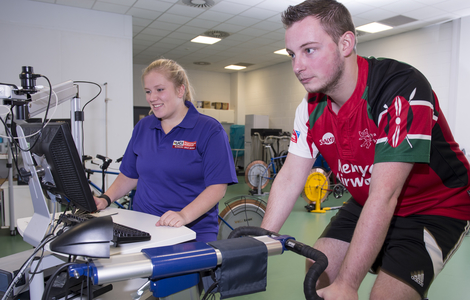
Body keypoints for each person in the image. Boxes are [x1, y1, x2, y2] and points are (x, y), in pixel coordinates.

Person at [260, 1, 470, 299]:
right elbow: (292, 175)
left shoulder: (401, 89)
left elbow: (385, 195)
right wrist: (261, 239)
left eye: (309, 50)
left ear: (345, 43)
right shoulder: (309, 108)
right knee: (318, 267)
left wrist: (348, 283)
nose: (297, 66)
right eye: (292, 54)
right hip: (366, 200)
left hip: (433, 207)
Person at [94, 58, 238, 243]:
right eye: (148, 91)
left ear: (180, 89)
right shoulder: (143, 127)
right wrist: (105, 199)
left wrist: (183, 216)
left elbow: (217, 187)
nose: (152, 97)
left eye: (160, 90)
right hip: (142, 226)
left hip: (191, 230)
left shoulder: (209, 130)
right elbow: (130, 175)